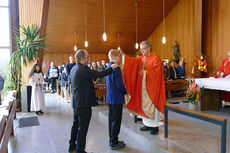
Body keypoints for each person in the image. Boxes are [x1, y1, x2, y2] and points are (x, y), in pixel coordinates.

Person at [68, 49, 118, 153]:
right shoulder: (83, 69)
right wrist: (112, 68)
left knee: (76, 124)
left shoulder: (74, 68)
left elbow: (84, 80)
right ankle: (80, 150)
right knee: (82, 127)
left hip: (76, 102)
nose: (89, 59)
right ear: (82, 59)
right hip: (83, 103)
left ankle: (72, 145)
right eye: (88, 57)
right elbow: (99, 74)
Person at [121, 41, 166, 135]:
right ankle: (147, 125)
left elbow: (157, 73)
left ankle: (154, 127)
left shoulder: (156, 57)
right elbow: (132, 62)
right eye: (141, 49)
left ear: (149, 48)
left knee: (152, 106)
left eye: (144, 48)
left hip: (153, 88)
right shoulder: (141, 58)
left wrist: (145, 73)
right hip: (143, 88)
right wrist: (123, 56)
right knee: (144, 106)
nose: (142, 50)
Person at [105, 49, 127, 150]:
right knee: (116, 121)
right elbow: (119, 84)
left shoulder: (108, 67)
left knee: (111, 120)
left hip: (110, 97)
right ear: (114, 57)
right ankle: (114, 142)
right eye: (118, 56)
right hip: (117, 98)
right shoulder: (116, 68)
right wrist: (125, 92)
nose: (120, 57)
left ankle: (113, 139)